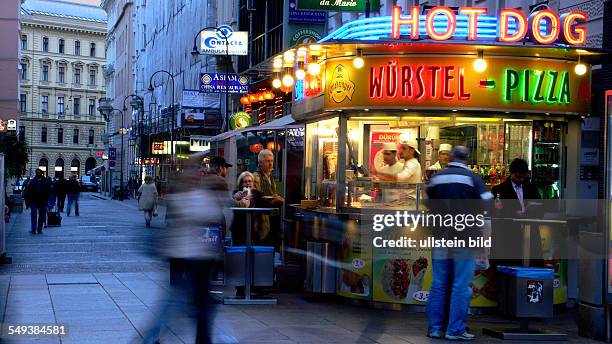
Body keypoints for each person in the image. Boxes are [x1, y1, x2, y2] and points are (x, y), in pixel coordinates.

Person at [143, 153, 226, 344]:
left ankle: (199, 339)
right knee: (178, 303)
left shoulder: (190, 192)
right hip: (187, 257)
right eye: (198, 168)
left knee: (189, 304)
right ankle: (151, 338)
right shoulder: (187, 194)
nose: (201, 171)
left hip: (195, 257)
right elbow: (205, 213)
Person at [425, 146, 492, 341]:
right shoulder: (473, 178)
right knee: (460, 285)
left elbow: (428, 201)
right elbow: (487, 203)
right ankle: (455, 329)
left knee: (438, 284)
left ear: (451, 157)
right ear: (466, 159)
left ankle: (435, 328)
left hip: (440, 236)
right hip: (465, 237)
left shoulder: (438, 177)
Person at [252, 149, 284, 246]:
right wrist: (275, 199)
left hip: (272, 217)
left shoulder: (270, 176)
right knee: (263, 245)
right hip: (262, 218)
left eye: (272, 161)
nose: (270, 164)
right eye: (268, 161)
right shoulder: (256, 177)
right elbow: (258, 198)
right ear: (260, 162)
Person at [23, 169, 50, 234]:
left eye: (39, 172)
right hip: (35, 200)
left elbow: (48, 191)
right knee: (35, 215)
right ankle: (34, 229)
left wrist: (47, 199)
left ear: (41, 173)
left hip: (41, 200)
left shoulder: (42, 181)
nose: (38, 173)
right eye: (37, 172)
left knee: (40, 215)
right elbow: (29, 191)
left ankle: (38, 229)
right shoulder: (34, 181)